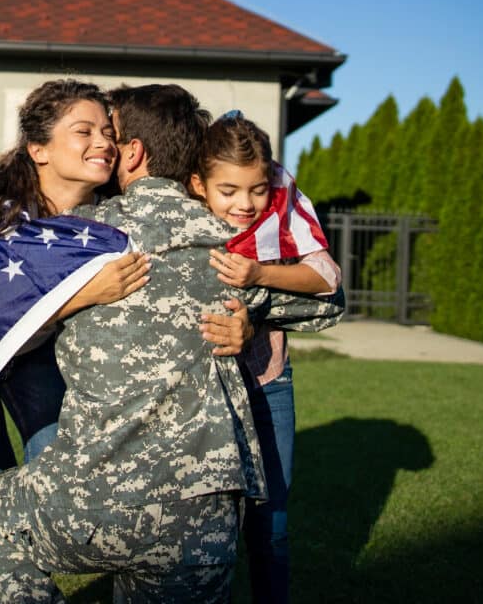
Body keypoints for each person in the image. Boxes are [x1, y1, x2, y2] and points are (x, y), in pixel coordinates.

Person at [0, 84, 345, 602]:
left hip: (89, 505)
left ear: (133, 153)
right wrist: (254, 312)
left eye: (111, 136)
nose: (104, 147)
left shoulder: (77, 240)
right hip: (202, 529)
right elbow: (328, 301)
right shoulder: (232, 247)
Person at [0, 78, 151, 490]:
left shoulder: (111, 219)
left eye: (108, 132)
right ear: (39, 150)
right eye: (84, 131)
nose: (103, 142)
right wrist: (86, 294)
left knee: (53, 477)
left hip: (39, 355)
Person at [189, 110, 343, 604]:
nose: (246, 204)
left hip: (267, 382)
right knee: (201, 529)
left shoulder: (279, 211)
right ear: (198, 185)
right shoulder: (180, 221)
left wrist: (260, 274)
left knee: (271, 523)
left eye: (257, 190)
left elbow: (328, 278)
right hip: (202, 391)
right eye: (229, 190)